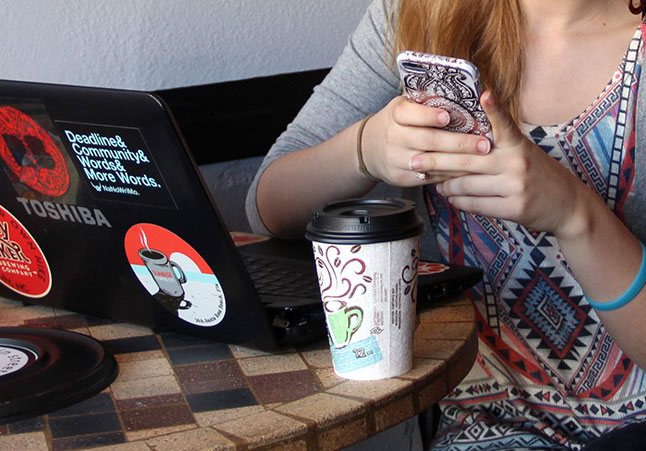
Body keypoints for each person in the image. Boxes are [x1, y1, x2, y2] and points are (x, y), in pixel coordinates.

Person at [245, 0, 646, 449]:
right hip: (480, 429)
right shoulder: (419, 13)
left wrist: (576, 216)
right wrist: (367, 147)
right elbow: (268, 206)